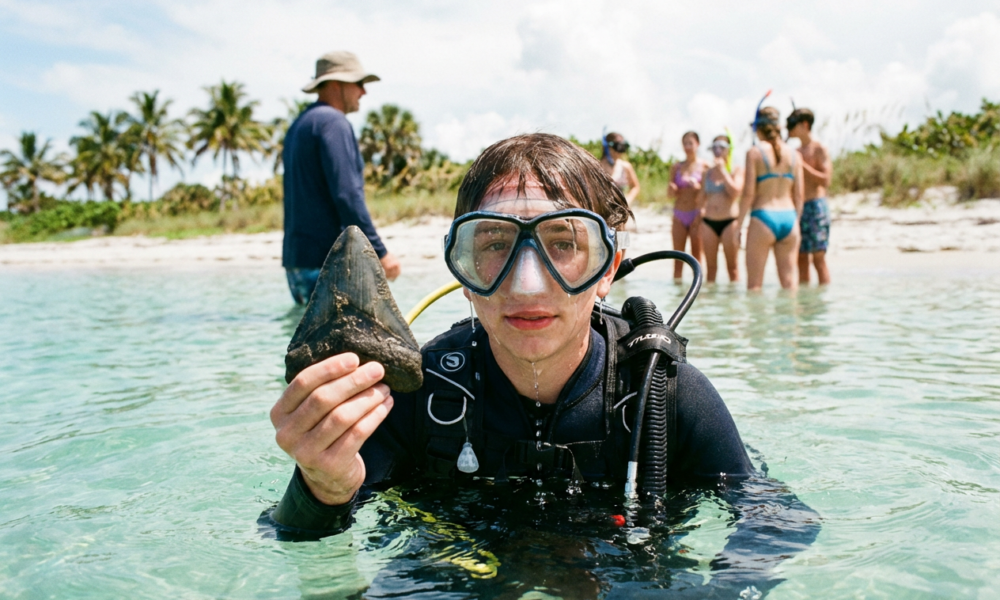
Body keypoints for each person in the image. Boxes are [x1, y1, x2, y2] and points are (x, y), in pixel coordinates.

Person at [262, 133, 817, 595]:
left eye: (563, 242)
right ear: (463, 271)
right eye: (494, 244)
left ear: (608, 269)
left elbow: (777, 520)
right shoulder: (421, 395)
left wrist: (725, 589)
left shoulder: (663, 393)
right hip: (458, 563)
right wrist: (322, 483)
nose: (527, 285)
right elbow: (295, 535)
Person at [282, 50, 401, 305]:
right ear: (337, 84)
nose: (363, 92)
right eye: (359, 83)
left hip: (298, 262)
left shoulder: (300, 125)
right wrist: (379, 252)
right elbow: (347, 195)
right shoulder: (333, 123)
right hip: (329, 263)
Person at [738, 107, 804, 290]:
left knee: (754, 286)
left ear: (758, 129)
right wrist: (796, 222)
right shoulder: (795, 155)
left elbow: (748, 194)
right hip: (789, 218)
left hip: (763, 218)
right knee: (790, 284)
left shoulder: (754, 153)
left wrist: (739, 225)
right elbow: (799, 195)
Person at [787, 108, 833, 285]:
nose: (790, 129)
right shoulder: (794, 151)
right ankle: (805, 300)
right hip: (798, 207)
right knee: (801, 258)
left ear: (805, 125)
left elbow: (826, 180)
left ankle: (824, 297)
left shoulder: (819, 149)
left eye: (793, 124)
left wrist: (803, 166)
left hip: (816, 206)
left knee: (818, 258)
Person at [698, 134, 744, 283]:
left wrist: (723, 171)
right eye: (714, 148)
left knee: (733, 268)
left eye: (721, 147)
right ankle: (710, 298)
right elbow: (701, 198)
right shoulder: (707, 172)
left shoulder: (736, 170)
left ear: (729, 150)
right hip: (709, 222)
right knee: (710, 269)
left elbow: (735, 192)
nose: (717, 151)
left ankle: (733, 296)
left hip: (729, 221)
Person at [667, 132, 707, 279]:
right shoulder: (677, 166)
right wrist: (673, 189)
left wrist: (698, 187)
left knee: (697, 257)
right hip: (679, 213)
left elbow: (709, 193)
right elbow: (669, 195)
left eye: (690, 143)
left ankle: (698, 286)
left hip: (696, 213)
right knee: (677, 257)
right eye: (685, 143)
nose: (687, 147)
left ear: (698, 144)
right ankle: (677, 288)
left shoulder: (705, 166)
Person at [600, 132, 640, 205]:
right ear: (607, 147)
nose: (619, 152)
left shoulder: (625, 167)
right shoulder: (597, 167)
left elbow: (635, 187)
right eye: (617, 147)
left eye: (622, 148)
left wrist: (627, 201)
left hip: (620, 207)